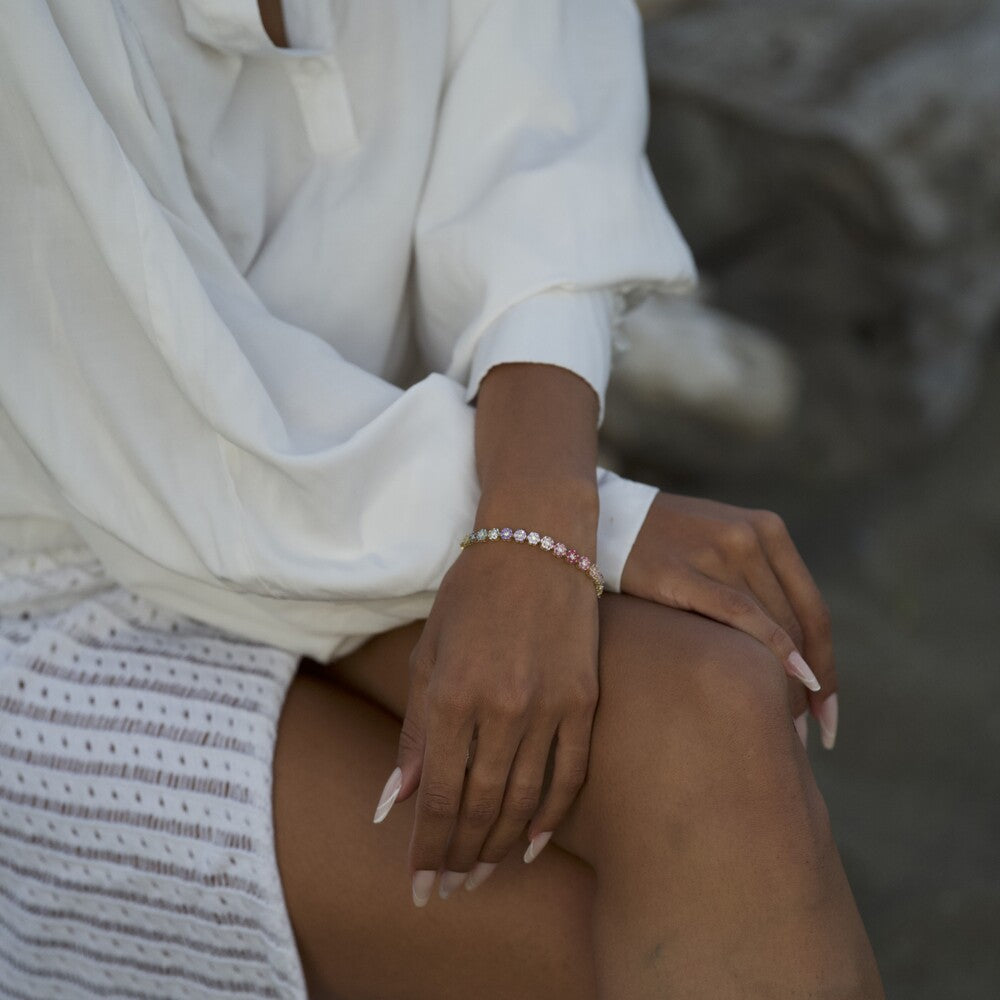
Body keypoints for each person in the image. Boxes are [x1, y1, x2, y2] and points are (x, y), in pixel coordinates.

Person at [0, 1, 884, 997]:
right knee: (609, 946)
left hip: (374, 516)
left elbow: (538, 160)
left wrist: (540, 509)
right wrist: (578, 530)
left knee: (711, 699)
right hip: (64, 579)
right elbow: (154, 415)